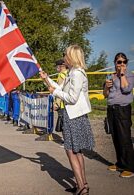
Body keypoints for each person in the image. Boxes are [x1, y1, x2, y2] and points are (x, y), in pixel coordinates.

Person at [40, 45, 94, 195]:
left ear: (72, 57)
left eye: (66, 55)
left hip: (75, 116)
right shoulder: (72, 73)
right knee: (76, 151)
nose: (64, 58)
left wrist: (55, 91)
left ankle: (82, 186)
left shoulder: (77, 74)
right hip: (72, 116)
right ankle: (82, 184)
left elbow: (72, 98)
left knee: (71, 151)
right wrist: (47, 80)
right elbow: (59, 88)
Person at [103, 52, 134, 178]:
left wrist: (122, 75)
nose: (121, 64)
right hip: (112, 109)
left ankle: (130, 167)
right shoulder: (111, 76)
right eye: (119, 62)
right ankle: (120, 163)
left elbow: (126, 89)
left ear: (126, 63)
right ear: (115, 63)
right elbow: (105, 95)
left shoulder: (129, 76)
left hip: (122, 109)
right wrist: (106, 87)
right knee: (115, 137)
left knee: (124, 138)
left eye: (124, 62)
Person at [54, 59, 68, 133]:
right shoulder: (68, 74)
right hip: (67, 101)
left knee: (62, 122)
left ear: (61, 66)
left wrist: (56, 103)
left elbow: (59, 90)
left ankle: (65, 140)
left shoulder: (61, 75)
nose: (56, 68)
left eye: (57, 66)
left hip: (62, 103)